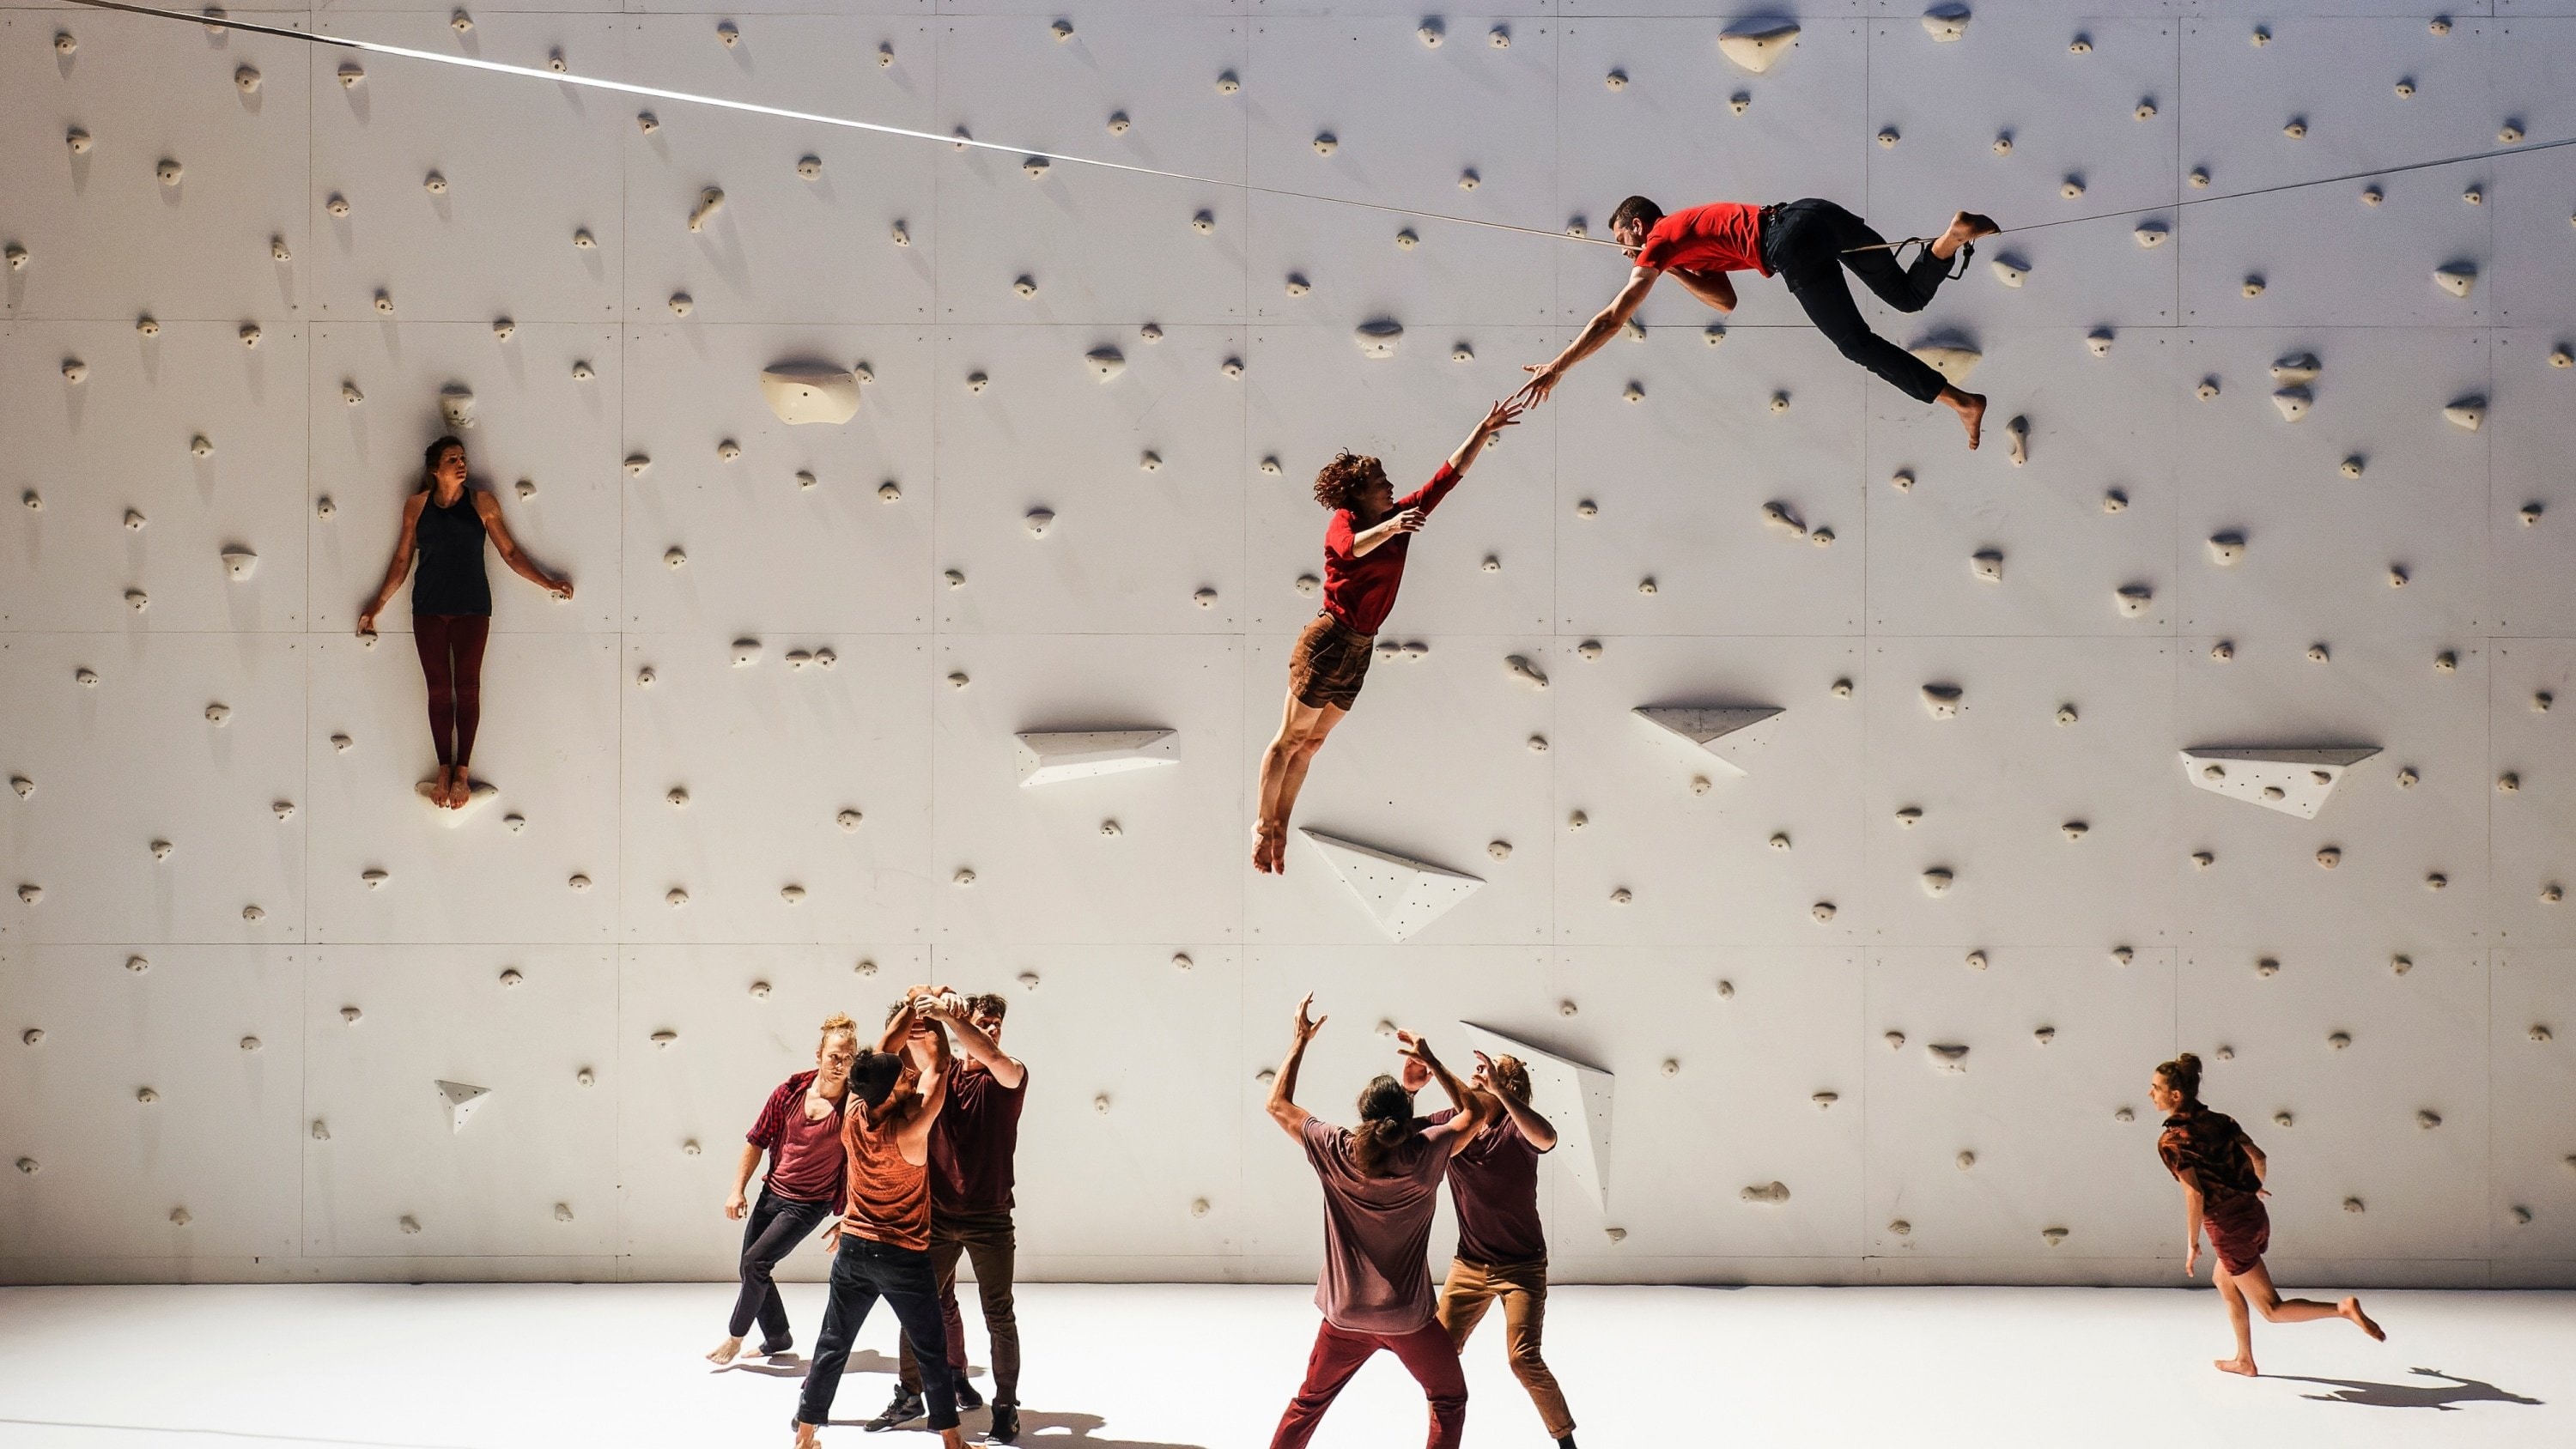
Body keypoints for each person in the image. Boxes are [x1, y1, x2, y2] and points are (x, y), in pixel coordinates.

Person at [1253, 401, 1523, 875]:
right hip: (1329, 640)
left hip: (1360, 647)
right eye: (1382, 484)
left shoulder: (1401, 519)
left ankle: (1281, 826)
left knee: (1312, 745)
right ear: (1360, 495)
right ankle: (1261, 824)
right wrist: (1392, 525)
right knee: (1290, 737)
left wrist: (1484, 428)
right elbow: (1350, 550)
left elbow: (1447, 477)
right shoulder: (1348, 521)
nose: (1392, 488)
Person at [1518, 197, 1999, 448]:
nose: (1627, 253)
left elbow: (1612, 317)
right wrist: (1674, 269)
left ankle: (1958, 401)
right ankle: (1954, 235)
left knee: (1855, 343)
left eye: (1625, 241)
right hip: (1813, 214)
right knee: (1906, 296)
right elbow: (1725, 301)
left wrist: (1559, 366)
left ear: (1639, 227)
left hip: (1788, 243)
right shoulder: (1684, 238)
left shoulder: (1659, 239)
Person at [1264, 994, 1492, 1449]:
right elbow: (1476, 1114)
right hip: (1408, 1318)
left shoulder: (1336, 1149)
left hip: (1344, 1316)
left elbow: (1278, 1104)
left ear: (1364, 1118)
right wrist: (1432, 1061)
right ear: (1408, 1121)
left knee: (1308, 1402)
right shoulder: (1428, 1152)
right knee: (1448, 1400)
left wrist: (1300, 1040)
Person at [355, 433, 573, 809]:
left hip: (473, 607)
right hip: (428, 608)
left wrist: (547, 582)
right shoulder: (416, 506)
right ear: (435, 469)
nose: (461, 463)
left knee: (468, 688)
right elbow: (403, 560)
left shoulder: (482, 502)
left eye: (463, 457)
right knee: (439, 690)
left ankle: (461, 774)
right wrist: (377, 605)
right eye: (452, 459)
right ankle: (443, 768)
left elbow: (509, 551)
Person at [791, 997, 969, 1449]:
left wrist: (911, 1006)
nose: (910, 1076)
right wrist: (935, 1020)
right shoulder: (910, 1132)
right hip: (902, 1257)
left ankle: (806, 1433)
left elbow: (885, 1049)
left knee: (833, 1343)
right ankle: (951, 1440)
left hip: (853, 1250)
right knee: (930, 1348)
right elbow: (942, 1068)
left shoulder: (854, 1108)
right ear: (891, 1092)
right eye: (904, 1078)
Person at [2151, 1052, 2385, 1377]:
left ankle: (2342, 1310)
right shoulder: (2221, 1121)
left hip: (2229, 1227)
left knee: (2272, 1310)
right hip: (2254, 1214)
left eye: (2155, 1087)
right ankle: (2244, 1359)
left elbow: (2195, 1194)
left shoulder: (2172, 1141)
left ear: (2175, 1095)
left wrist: (2192, 1244)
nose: (2151, 1094)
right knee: (2223, 1278)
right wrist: (2251, 1187)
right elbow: (2258, 1157)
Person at [1401, 1050, 1577, 1449]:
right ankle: (1441, 1440)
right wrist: (1410, 1092)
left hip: (1523, 1267)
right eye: (1478, 1069)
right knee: (1437, 1355)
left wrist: (1499, 1089)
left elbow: (1547, 1138)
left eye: (1486, 1071)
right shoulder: (1454, 1122)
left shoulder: (1517, 1130)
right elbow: (1402, 1134)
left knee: (1523, 1359)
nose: (1477, 1074)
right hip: (1469, 1265)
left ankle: (1566, 1442)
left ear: (1507, 1085)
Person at [878, 991, 1029, 1443]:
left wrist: (950, 1015)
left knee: (999, 1314)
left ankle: (1005, 1407)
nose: (992, 1028)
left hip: (991, 1218)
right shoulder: (938, 1077)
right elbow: (893, 1053)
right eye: (984, 1020)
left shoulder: (1010, 1074)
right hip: (939, 1216)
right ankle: (910, 1394)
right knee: (916, 1307)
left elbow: (991, 1054)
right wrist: (925, 1002)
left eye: (997, 1022)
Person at [708, 1014, 860, 1367]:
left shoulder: (855, 1107)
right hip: (772, 1194)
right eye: (835, 1056)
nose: (841, 1065)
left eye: (849, 1058)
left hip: (809, 1204)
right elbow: (756, 1140)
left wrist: (850, 1216)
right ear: (819, 1054)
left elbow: (862, 1165)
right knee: (752, 1268)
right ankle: (778, 1337)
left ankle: (735, 1336)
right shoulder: (789, 1093)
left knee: (755, 1262)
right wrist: (737, 1190)